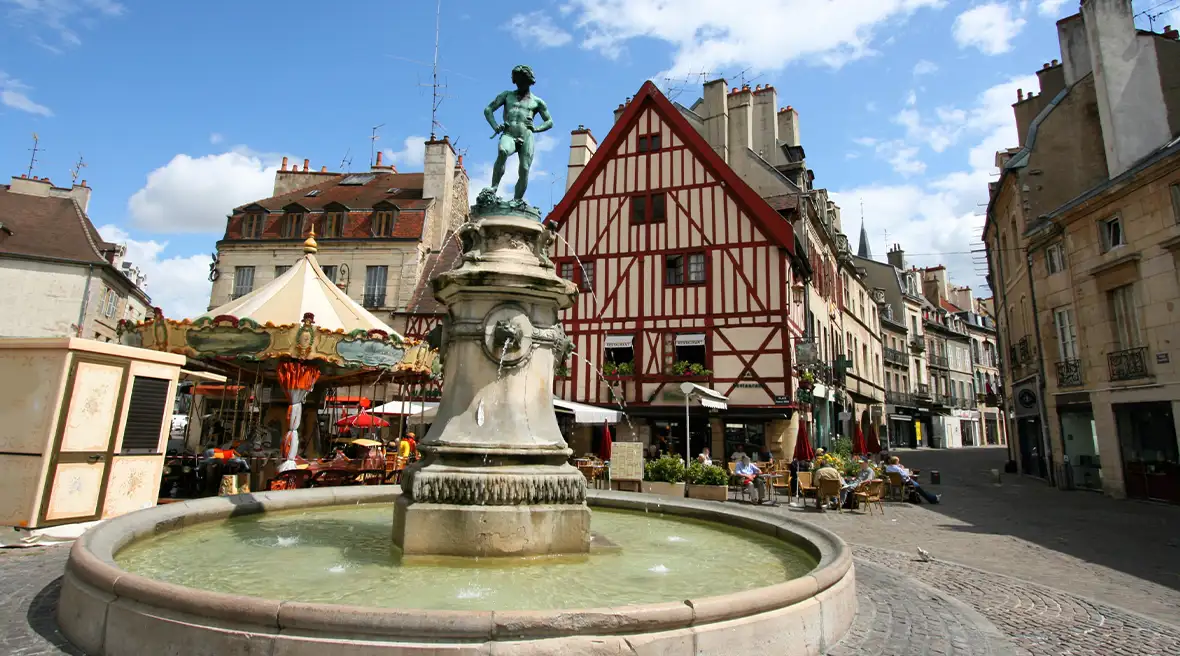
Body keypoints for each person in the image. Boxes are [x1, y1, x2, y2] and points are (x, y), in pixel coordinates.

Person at [483, 65, 553, 203]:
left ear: (529, 82)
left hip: (526, 135)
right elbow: (488, 110)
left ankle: (517, 199)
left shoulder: (537, 102)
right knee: (503, 151)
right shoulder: (507, 95)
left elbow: (549, 121)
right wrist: (495, 126)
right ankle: (494, 187)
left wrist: (536, 128)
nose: (519, 84)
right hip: (509, 133)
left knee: (525, 168)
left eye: (522, 81)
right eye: (517, 81)